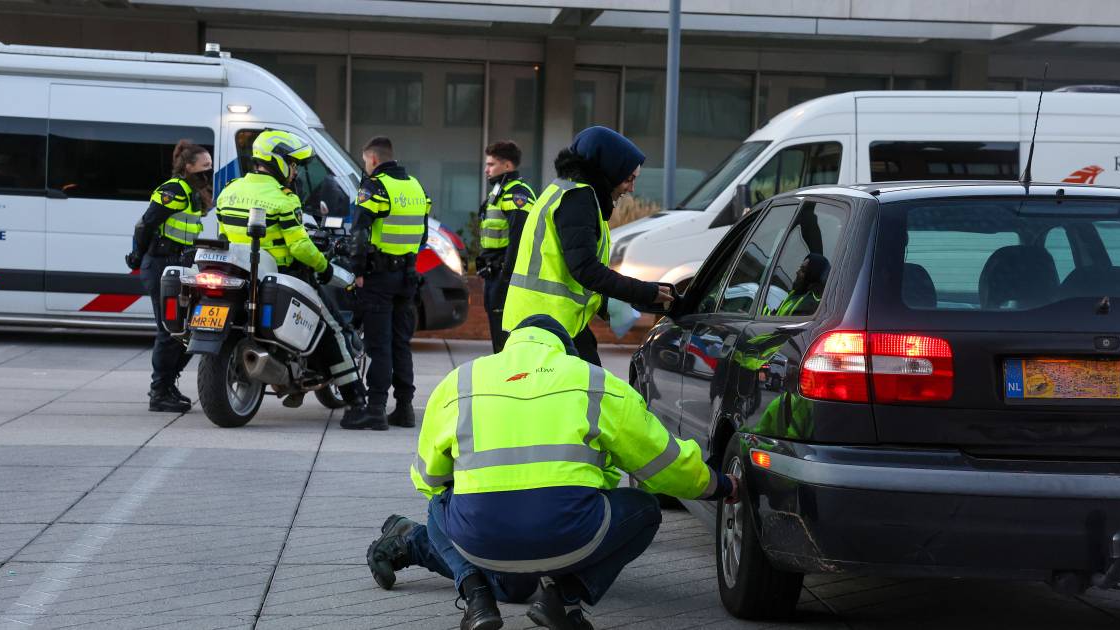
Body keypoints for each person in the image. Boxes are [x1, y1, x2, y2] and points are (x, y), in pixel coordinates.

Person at [366, 315, 739, 630]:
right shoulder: (593, 381)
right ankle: (564, 597)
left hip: (481, 536)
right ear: (564, 349)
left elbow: (427, 480)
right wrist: (717, 485)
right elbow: (664, 464)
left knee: (441, 507)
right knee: (645, 509)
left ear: (511, 346)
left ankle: (474, 591)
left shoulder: (461, 382)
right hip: (570, 532)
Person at [214, 129, 372, 426]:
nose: (295, 169)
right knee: (334, 328)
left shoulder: (228, 191)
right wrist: (324, 267)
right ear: (276, 161)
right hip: (283, 275)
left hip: (238, 272)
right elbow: (300, 246)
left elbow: (223, 233)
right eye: (292, 162)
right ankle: (357, 401)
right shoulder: (284, 200)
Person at [502, 126, 673, 366]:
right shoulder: (577, 199)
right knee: (585, 393)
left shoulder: (567, 191)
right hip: (548, 326)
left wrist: (608, 303)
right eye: (628, 178)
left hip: (544, 323)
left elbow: (569, 268)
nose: (631, 188)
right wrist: (645, 292)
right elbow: (585, 269)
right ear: (609, 170)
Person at [347, 136, 431, 430]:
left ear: (372, 159)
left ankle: (376, 408)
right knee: (400, 344)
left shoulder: (375, 187)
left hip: (379, 277)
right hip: (407, 276)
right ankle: (405, 408)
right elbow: (423, 236)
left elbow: (359, 231)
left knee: (378, 345)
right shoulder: (416, 187)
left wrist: (357, 269)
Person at [126, 140, 212, 413]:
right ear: (188, 166)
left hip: (180, 264)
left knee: (188, 330)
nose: (208, 171)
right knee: (169, 331)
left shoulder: (192, 191)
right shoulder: (173, 190)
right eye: (204, 166)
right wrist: (136, 256)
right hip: (162, 264)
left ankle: (168, 385)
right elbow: (146, 224)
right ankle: (159, 392)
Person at [476, 141, 535, 353]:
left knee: (506, 339)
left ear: (508, 166)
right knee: (498, 335)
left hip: (505, 277)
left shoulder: (517, 194)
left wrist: (507, 275)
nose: (486, 169)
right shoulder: (499, 192)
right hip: (495, 274)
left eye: (491, 164)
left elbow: (519, 239)